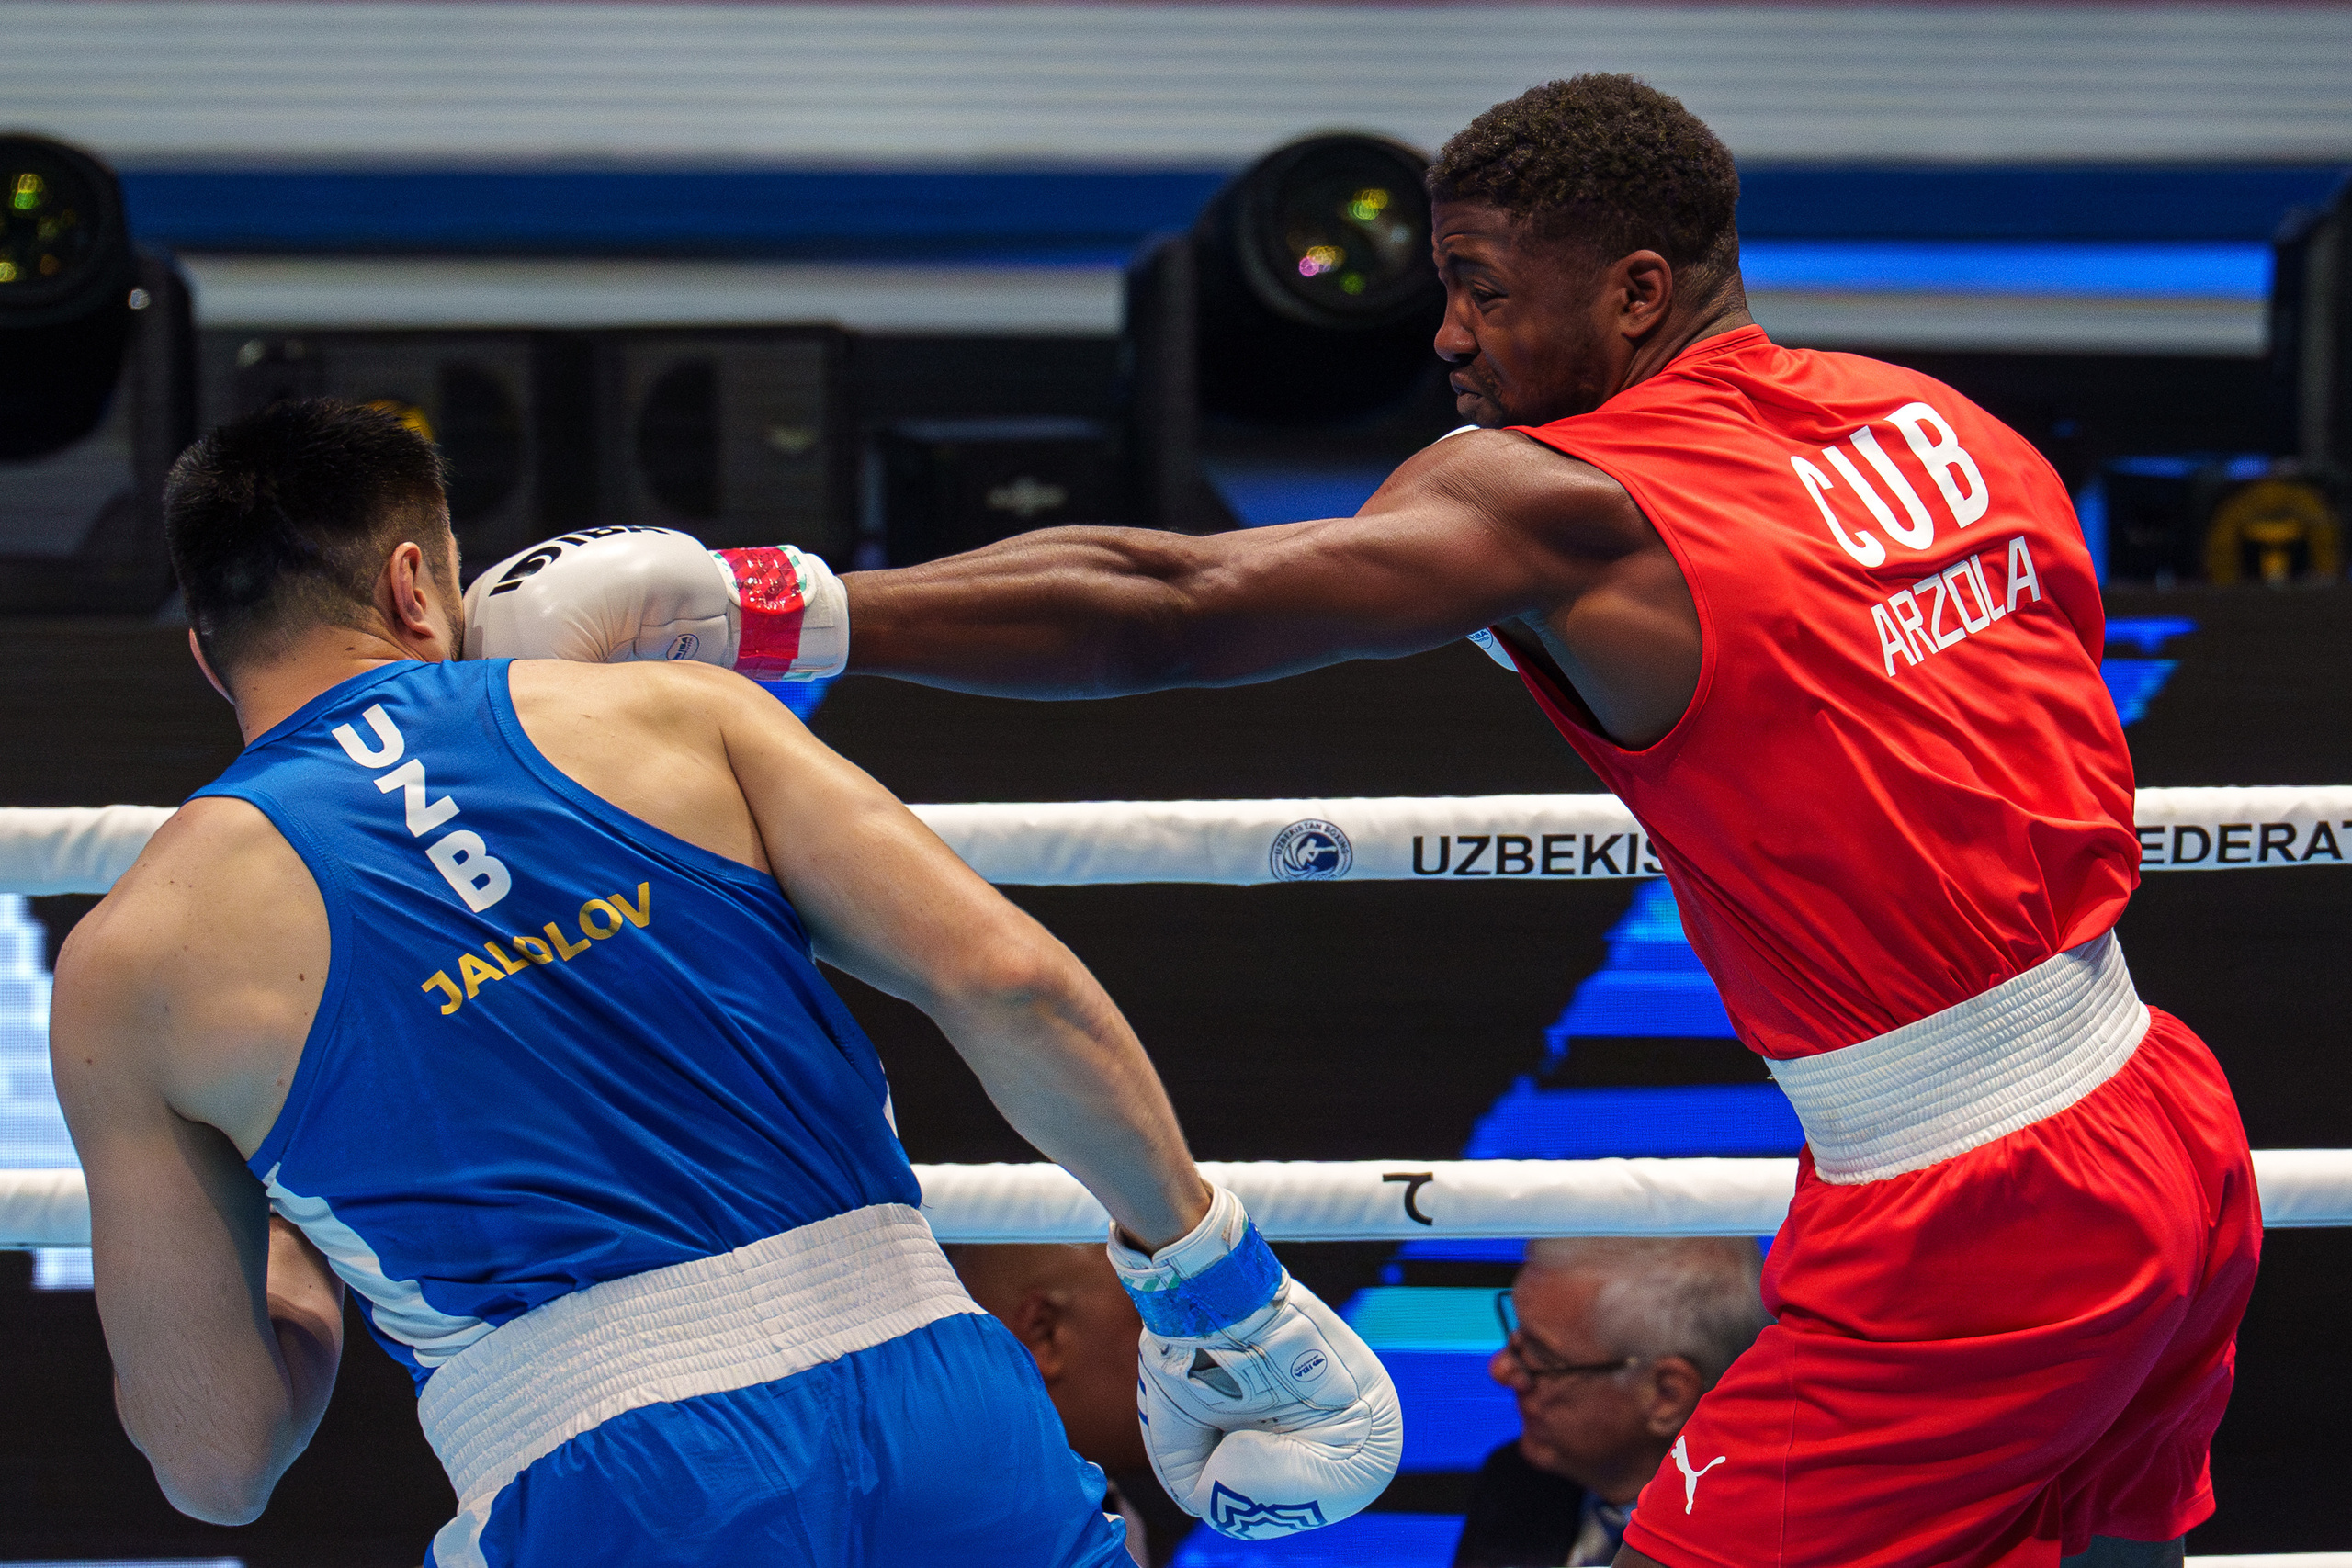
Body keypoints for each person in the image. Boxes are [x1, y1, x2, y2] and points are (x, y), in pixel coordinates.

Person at [473, 73, 2261, 1568]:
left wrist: (764, 605)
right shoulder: (1941, 429)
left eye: (1482, 284)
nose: (1446, 334)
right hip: (2160, 1112)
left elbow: (1168, 601)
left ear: (1635, 296)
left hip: (1982, 1201)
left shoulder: (1576, 504)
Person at [48, 400, 1398, 1568]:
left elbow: (215, 1459)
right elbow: (1007, 981)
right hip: (944, 1400)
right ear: (418, 589)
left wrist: (291, 1234)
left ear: (208, 654)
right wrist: (1219, 1281)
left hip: (606, 1478)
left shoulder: (134, 956)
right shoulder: (672, 712)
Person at [1456, 1239, 1769, 1568]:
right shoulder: (1516, 1487)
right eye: (1517, 1336)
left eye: (1541, 1355)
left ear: (1667, 1396)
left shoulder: (1774, 1545)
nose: (1500, 1370)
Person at [950, 1244, 1166, 1565]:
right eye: (1152, 1321)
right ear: (1045, 1331)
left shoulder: (1109, 1510)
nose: (1184, 1353)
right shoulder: (946, 1523)